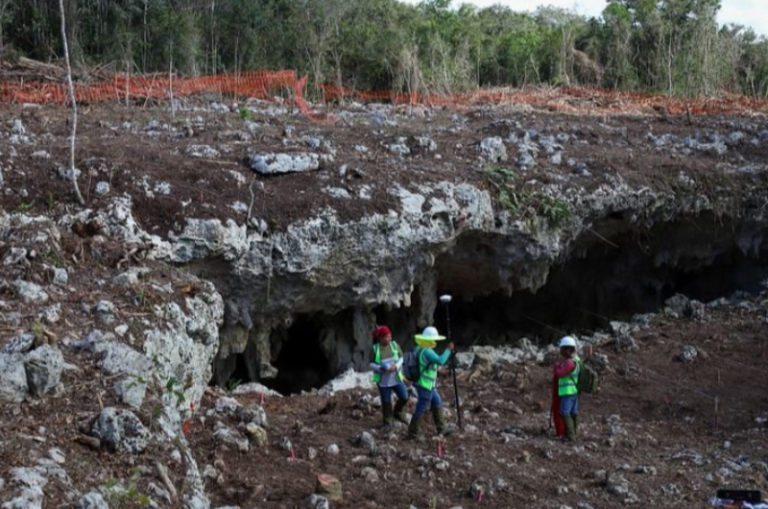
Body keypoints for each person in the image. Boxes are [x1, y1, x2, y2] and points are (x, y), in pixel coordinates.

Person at [407, 326, 454, 439]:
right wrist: (448, 349)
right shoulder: (427, 351)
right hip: (425, 384)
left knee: (437, 401)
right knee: (422, 406)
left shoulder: (421, 349)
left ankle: (442, 427)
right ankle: (413, 432)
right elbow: (440, 360)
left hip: (428, 384)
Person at [369, 325, 410, 429]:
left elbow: (401, 358)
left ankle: (398, 412)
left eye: (390, 336)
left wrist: (396, 366)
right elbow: (371, 364)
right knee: (386, 401)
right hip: (383, 380)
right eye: (387, 337)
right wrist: (380, 368)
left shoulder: (394, 345)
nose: (389, 338)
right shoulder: (375, 349)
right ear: (381, 338)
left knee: (404, 396)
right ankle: (387, 421)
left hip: (396, 377)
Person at [552, 335, 581, 441]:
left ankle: (570, 435)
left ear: (568, 349)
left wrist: (556, 366)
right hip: (575, 391)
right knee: (574, 412)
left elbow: (560, 373)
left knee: (565, 412)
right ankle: (574, 432)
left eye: (562, 349)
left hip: (567, 392)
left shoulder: (569, 362)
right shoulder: (577, 360)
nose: (561, 351)